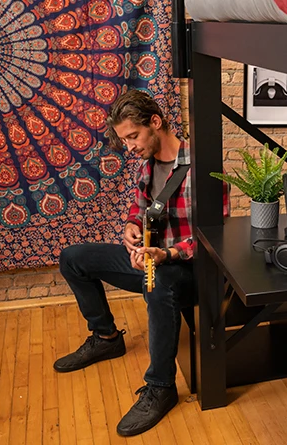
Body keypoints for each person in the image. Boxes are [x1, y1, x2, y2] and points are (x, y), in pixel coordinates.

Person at [53, 89, 224, 436]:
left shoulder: (204, 166)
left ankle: (161, 387)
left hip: (188, 270)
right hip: (151, 259)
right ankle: (106, 337)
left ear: (156, 123)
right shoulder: (147, 164)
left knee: (161, 285)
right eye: (124, 139)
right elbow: (140, 208)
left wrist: (169, 254)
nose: (129, 146)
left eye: (133, 136)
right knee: (73, 259)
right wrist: (132, 226)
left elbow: (216, 236)